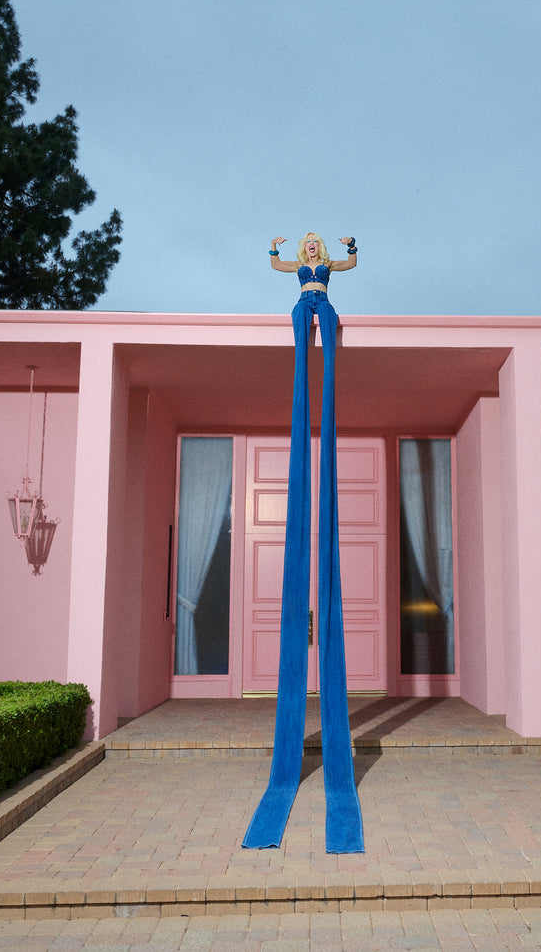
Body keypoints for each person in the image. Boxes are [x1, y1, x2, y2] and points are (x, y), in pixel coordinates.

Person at [244, 231, 363, 854]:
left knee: (322, 319)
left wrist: (347, 248)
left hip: (321, 307)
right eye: (310, 245)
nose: (312, 249)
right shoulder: (300, 268)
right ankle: (285, 778)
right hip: (304, 311)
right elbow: (278, 264)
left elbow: (345, 262)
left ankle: (336, 782)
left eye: (316, 245)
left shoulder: (325, 267)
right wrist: (275, 251)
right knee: (306, 325)